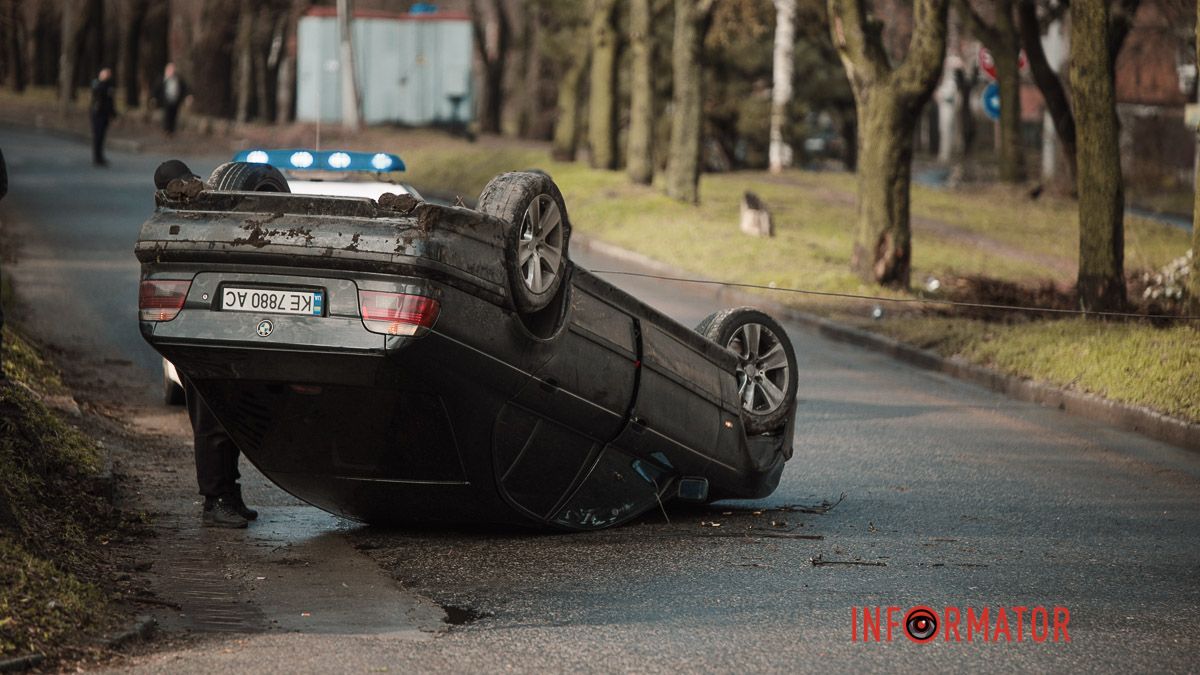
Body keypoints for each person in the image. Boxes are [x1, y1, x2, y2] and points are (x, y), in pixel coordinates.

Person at [152, 159, 258, 528]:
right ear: (170, 191)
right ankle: (216, 500)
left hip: (218, 334)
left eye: (191, 180)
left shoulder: (201, 214)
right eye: (182, 184)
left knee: (227, 421)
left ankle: (229, 494)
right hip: (198, 337)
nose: (191, 187)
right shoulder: (173, 227)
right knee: (211, 422)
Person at [153, 63, 189, 136]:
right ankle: (166, 130)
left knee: (174, 115)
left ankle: (172, 130)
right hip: (165, 100)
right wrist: (154, 98)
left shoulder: (178, 79)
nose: (172, 72)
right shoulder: (162, 79)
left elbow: (185, 88)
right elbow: (156, 89)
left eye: (173, 70)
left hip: (175, 100)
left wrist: (187, 96)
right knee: (166, 115)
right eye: (170, 70)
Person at [89, 68, 116, 167]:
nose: (107, 76)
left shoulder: (109, 86)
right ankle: (96, 157)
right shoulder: (97, 84)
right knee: (97, 136)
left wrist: (113, 114)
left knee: (102, 136)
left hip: (105, 114)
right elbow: (96, 96)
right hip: (97, 114)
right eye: (105, 74)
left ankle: (100, 156)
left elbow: (110, 102)